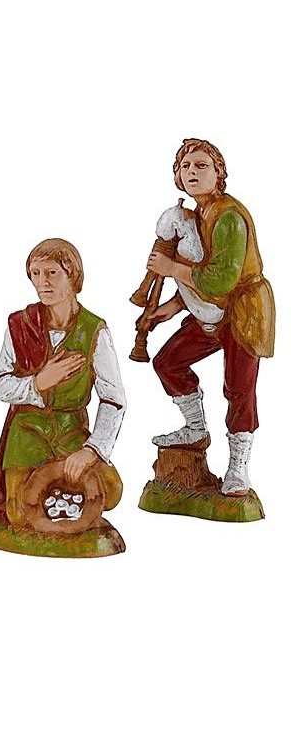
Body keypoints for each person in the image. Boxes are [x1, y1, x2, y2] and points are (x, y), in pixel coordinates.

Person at [144, 139, 274, 495]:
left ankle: (238, 467)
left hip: (242, 312)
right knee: (168, 362)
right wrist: (174, 306)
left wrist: (171, 268)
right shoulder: (195, 216)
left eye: (202, 166)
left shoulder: (228, 217)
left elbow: (220, 279)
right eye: (185, 167)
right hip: (208, 311)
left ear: (219, 174)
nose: (192, 173)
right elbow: (200, 269)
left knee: (239, 388)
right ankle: (196, 429)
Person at [0, 239, 125, 529]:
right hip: (28, 432)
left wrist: (91, 450)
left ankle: (64, 501)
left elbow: (113, 399)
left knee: (111, 491)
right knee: (19, 514)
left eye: (52, 273)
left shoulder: (94, 330)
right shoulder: (21, 325)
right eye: (35, 273)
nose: (42, 282)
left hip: (71, 431)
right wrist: (38, 383)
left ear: (72, 275)